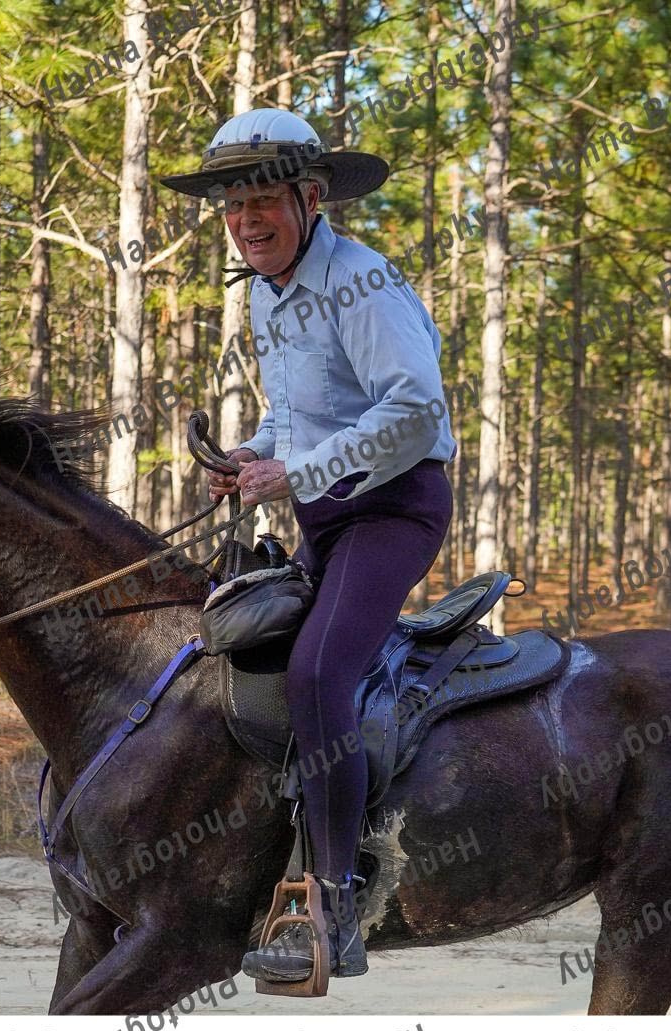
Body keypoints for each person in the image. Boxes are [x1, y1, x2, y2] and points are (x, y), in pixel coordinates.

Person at [159, 108, 458, 982]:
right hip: (327, 514)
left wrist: (294, 472)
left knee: (319, 673)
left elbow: (415, 412)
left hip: (394, 509)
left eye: (262, 201)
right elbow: (296, 414)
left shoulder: (363, 283)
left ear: (311, 198)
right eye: (232, 206)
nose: (245, 220)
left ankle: (332, 905)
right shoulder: (265, 291)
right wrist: (253, 454)